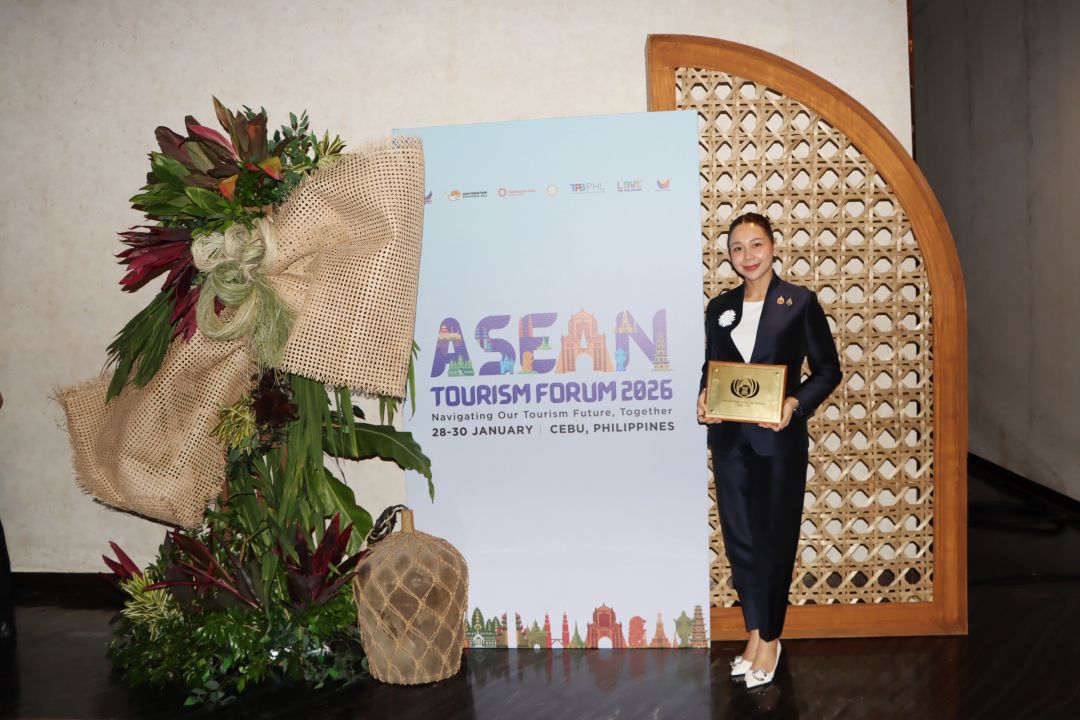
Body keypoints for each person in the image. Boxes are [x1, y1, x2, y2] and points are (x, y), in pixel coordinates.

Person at [696, 212, 841, 689]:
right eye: (737, 248)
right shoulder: (720, 307)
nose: (748, 256)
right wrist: (704, 397)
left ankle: (772, 639)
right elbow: (713, 368)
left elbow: (828, 370)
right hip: (730, 442)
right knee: (740, 540)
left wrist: (794, 405)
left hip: (778, 443)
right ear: (729, 255)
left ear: (773, 246)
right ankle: (754, 633)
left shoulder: (799, 302)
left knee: (774, 540)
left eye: (756, 244)